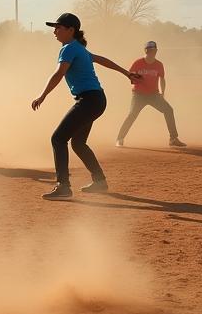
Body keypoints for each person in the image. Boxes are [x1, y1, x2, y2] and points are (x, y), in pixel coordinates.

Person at [31, 12, 139, 200]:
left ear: (71, 30)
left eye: (58, 27)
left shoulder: (69, 48)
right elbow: (101, 59)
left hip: (89, 100)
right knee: (78, 143)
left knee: (58, 139)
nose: (54, 31)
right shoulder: (79, 48)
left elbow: (58, 74)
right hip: (96, 100)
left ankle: (63, 186)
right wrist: (125, 73)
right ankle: (99, 181)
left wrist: (42, 95)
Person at [116, 40, 186, 148]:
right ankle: (120, 138)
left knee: (168, 110)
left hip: (153, 95)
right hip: (139, 95)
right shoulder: (138, 62)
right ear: (145, 51)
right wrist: (134, 80)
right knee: (132, 114)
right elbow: (130, 75)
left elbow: (162, 79)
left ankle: (173, 138)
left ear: (156, 51)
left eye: (153, 50)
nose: (151, 52)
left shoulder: (159, 64)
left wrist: (162, 93)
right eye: (149, 50)